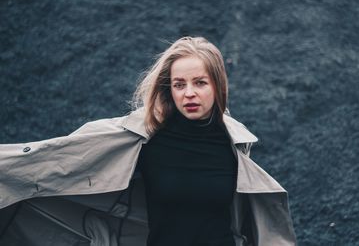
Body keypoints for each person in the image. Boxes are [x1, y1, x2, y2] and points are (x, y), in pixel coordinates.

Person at [0, 37, 296, 246]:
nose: (189, 93)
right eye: (180, 84)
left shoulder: (234, 147)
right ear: (170, 89)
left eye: (200, 82)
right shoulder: (144, 140)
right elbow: (60, 166)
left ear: (218, 87)